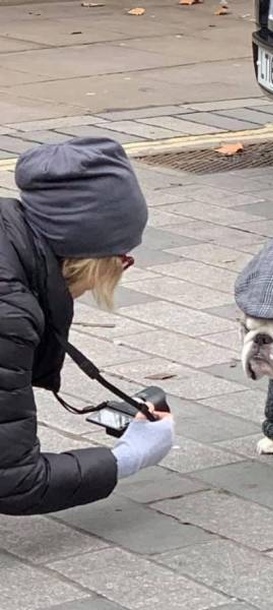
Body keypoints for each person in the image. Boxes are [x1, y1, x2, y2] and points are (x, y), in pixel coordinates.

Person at [0, 137, 175, 516]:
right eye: (123, 258)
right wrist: (127, 457)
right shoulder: (9, 312)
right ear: (93, 256)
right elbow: (14, 481)